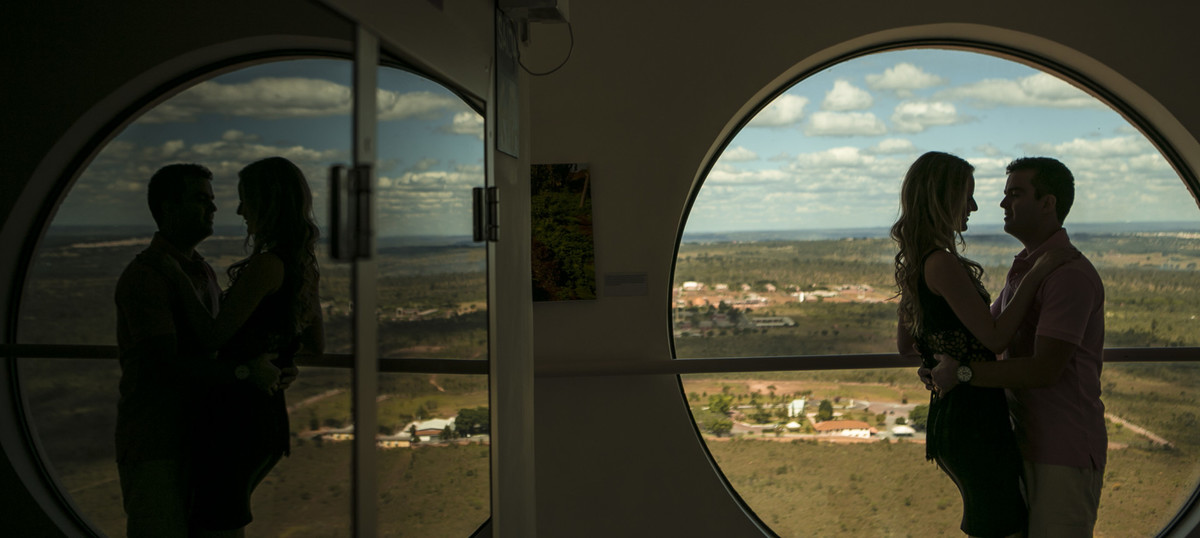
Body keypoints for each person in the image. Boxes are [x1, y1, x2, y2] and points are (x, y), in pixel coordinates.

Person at [893, 152, 1074, 538]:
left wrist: (939, 355)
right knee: (1002, 526)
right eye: (967, 196)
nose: (974, 206)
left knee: (990, 521)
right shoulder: (941, 262)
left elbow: (905, 346)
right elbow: (995, 337)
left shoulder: (918, 262)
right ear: (943, 198)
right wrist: (1037, 273)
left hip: (951, 415)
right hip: (975, 418)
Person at [144, 156, 324, 537]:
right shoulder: (301, 264)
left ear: (267, 202)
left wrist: (176, 279)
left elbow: (212, 336)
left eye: (245, 199)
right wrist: (282, 362)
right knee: (224, 519)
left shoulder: (266, 266)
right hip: (267, 416)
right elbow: (316, 344)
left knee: (214, 523)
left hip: (236, 416)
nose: (239, 210)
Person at [930, 157, 1106, 538]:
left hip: (1062, 450)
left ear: (1048, 203)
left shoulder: (1068, 276)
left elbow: (1045, 369)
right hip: (1022, 441)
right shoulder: (1027, 270)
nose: (1002, 204)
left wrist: (961, 373)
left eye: (1015, 194)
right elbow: (986, 338)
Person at [114, 164, 282, 538]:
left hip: (199, 438)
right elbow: (163, 367)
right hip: (156, 444)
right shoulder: (147, 276)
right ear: (168, 208)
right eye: (200, 199)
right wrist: (245, 373)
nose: (213, 208)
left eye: (212, 199)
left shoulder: (200, 271)